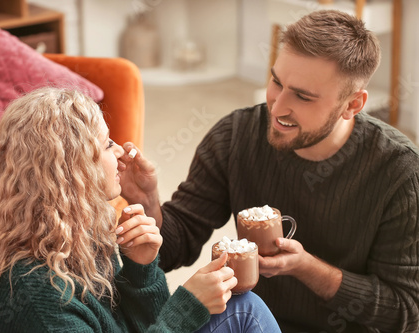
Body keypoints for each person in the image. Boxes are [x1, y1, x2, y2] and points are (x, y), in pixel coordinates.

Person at [119, 10, 419, 333]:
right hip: (249, 322)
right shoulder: (236, 135)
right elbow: (172, 252)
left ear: (352, 105)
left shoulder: (400, 173)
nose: (276, 107)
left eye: (302, 96)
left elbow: (406, 311)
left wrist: (307, 269)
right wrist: (149, 203)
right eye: (276, 81)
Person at [0, 87, 280, 332]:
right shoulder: (34, 295)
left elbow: (141, 324)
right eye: (106, 144)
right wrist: (187, 306)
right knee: (245, 314)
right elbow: (165, 322)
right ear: (73, 170)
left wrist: (142, 268)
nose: (121, 150)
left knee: (243, 304)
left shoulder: (68, 235)